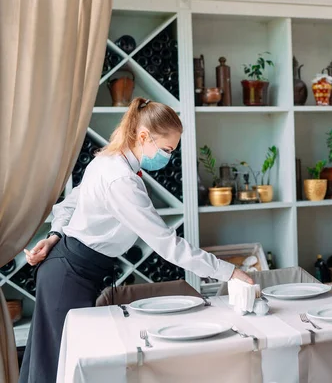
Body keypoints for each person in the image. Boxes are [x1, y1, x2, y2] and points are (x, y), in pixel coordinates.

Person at [19, 97, 254, 383]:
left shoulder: (106, 161)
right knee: (61, 368)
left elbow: (68, 207)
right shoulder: (121, 180)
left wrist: (55, 234)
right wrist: (229, 271)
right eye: (167, 149)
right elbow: (167, 244)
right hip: (69, 277)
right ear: (143, 136)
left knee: (54, 363)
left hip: (67, 269)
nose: (168, 157)